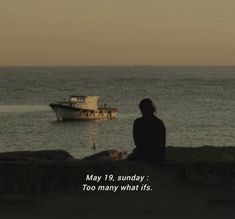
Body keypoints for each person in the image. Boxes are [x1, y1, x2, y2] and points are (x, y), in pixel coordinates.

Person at [128, 98, 166, 165]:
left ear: (142, 110)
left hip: (144, 155)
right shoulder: (159, 122)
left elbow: (137, 142)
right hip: (158, 155)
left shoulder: (138, 122)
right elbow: (163, 142)